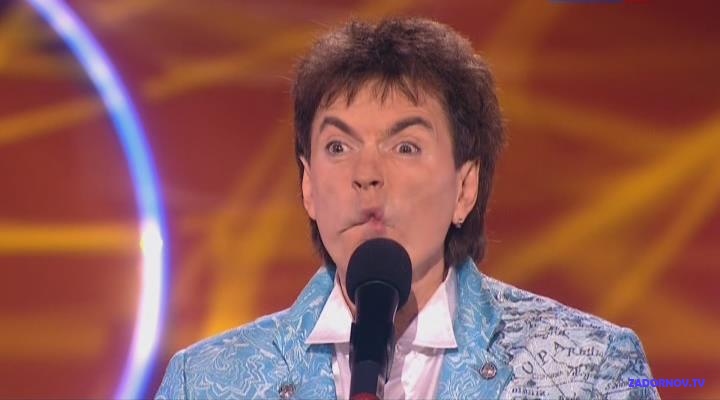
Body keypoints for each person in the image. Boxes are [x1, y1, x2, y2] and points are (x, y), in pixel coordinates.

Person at [156, 17, 659, 399]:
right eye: (338, 146)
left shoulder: (591, 369)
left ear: (465, 187)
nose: (367, 174)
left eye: (405, 147)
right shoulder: (204, 382)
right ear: (307, 186)